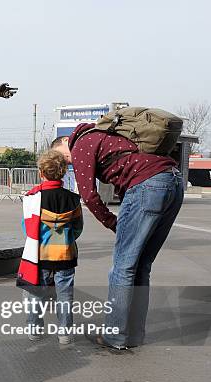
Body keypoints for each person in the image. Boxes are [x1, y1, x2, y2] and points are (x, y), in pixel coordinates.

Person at [53, 123, 183, 351]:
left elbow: (89, 196)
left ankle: (115, 336)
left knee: (122, 268)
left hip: (147, 187)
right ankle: (134, 334)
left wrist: (113, 223)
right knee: (142, 265)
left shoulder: (81, 143)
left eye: (65, 159)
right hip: (173, 182)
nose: (70, 163)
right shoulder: (105, 135)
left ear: (66, 142)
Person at [17, 149, 83, 345]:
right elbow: (78, 228)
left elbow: (28, 229)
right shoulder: (73, 199)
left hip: (40, 255)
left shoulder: (33, 198)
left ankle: (34, 328)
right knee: (65, 296)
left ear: (41, 173)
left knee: (35, 294)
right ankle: (65, 333)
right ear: (63, 172)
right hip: (65, 255)